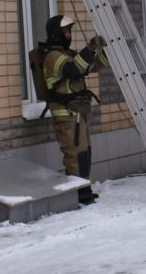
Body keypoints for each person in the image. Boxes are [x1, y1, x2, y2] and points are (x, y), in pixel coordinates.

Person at [38, 15, 105, 204]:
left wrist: (105, 52)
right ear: (57, 34)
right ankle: (76, 193)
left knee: (84, 152)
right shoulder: (52, 56)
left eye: (70, 32)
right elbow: (73, 70)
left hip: (78, 113)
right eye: (65, 32)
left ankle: (83, 189)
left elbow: (90, 66)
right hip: (66, 115)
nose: (69, 35)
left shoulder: (66, 53)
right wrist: (90, 48)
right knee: (74, 154)